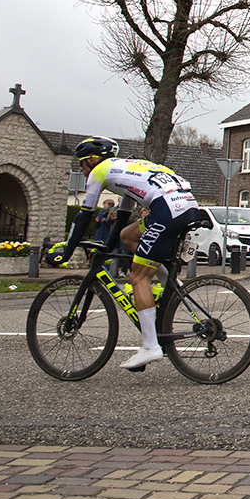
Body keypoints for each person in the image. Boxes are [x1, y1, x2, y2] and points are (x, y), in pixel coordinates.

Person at [58, 136, 201, 370]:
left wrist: (66, 252)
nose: (82, 171)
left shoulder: (100, 171)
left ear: (92, 159)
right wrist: (106, 250)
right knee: (128, 235)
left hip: (167, 210)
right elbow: (122, 219)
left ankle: (150, 347)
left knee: (138, 277)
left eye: (81, 165)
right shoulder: (129, 169)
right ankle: (170, 282)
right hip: (186, 206)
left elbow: (84, 216)